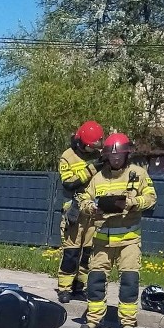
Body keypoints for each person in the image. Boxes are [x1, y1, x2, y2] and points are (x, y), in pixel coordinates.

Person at [78, 132, 157, 328]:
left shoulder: (138, 174)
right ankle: (94, 319)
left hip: (129, 240)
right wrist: (90, 208)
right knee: (95, 280)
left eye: (119, 155)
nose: (115, 158)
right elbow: (84, 199)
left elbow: (151, 198)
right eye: (111, 156)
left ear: (126, 154)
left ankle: (127, 323)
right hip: (102, 239)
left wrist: (133, 203)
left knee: (129, 282)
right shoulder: (98, 178)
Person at [56, 121, 105, 303]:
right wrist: (93, 168)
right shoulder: (67, 156)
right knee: (71, 253)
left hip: (93, 210)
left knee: (87, 253)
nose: (90, 150)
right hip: (74, 212)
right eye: (87, 146)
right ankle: (64, 288)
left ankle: (79, 286)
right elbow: (69, 183)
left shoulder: (98, 155)